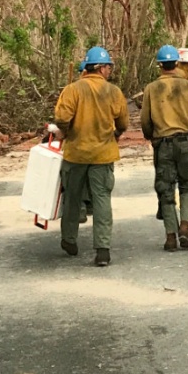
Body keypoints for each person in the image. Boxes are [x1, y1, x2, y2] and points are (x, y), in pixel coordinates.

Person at [53, 45, 129, 267]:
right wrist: (114, 134)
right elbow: (123, 122)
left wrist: (67, 132)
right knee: (102, 200)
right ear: (101, 68)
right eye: (109, 68)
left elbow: (61, 117)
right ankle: (102, 250)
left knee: (72, 199)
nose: (110, 72)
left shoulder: (72, 90)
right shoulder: (113, 92)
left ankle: (69, 240)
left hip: (75, 154)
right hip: (103, 156)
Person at [141, 44, 188, 251]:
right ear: (177, 63)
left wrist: (151, 137)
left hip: (164, 145)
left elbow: (145, 121)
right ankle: (185, 226)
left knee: (165, 189)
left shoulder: (151, 88)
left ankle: (170, 236)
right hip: (186, 143)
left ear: (159, 65)